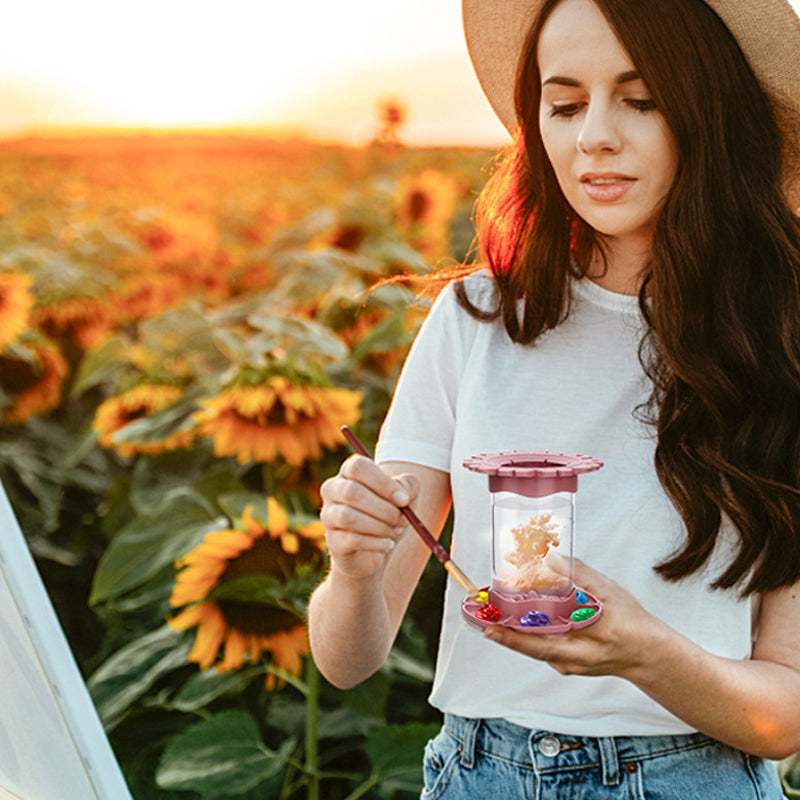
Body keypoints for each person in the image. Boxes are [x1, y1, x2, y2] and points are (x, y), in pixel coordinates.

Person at [308, 0, 800, 795]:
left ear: (711, 113)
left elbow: (786, 714)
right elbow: (347, 661)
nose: (594, 135)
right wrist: (356, 569)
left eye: (642, 100)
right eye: (565, 104)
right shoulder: (474, 323)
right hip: (477, 774)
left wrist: (645, 651)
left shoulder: (781, 345)